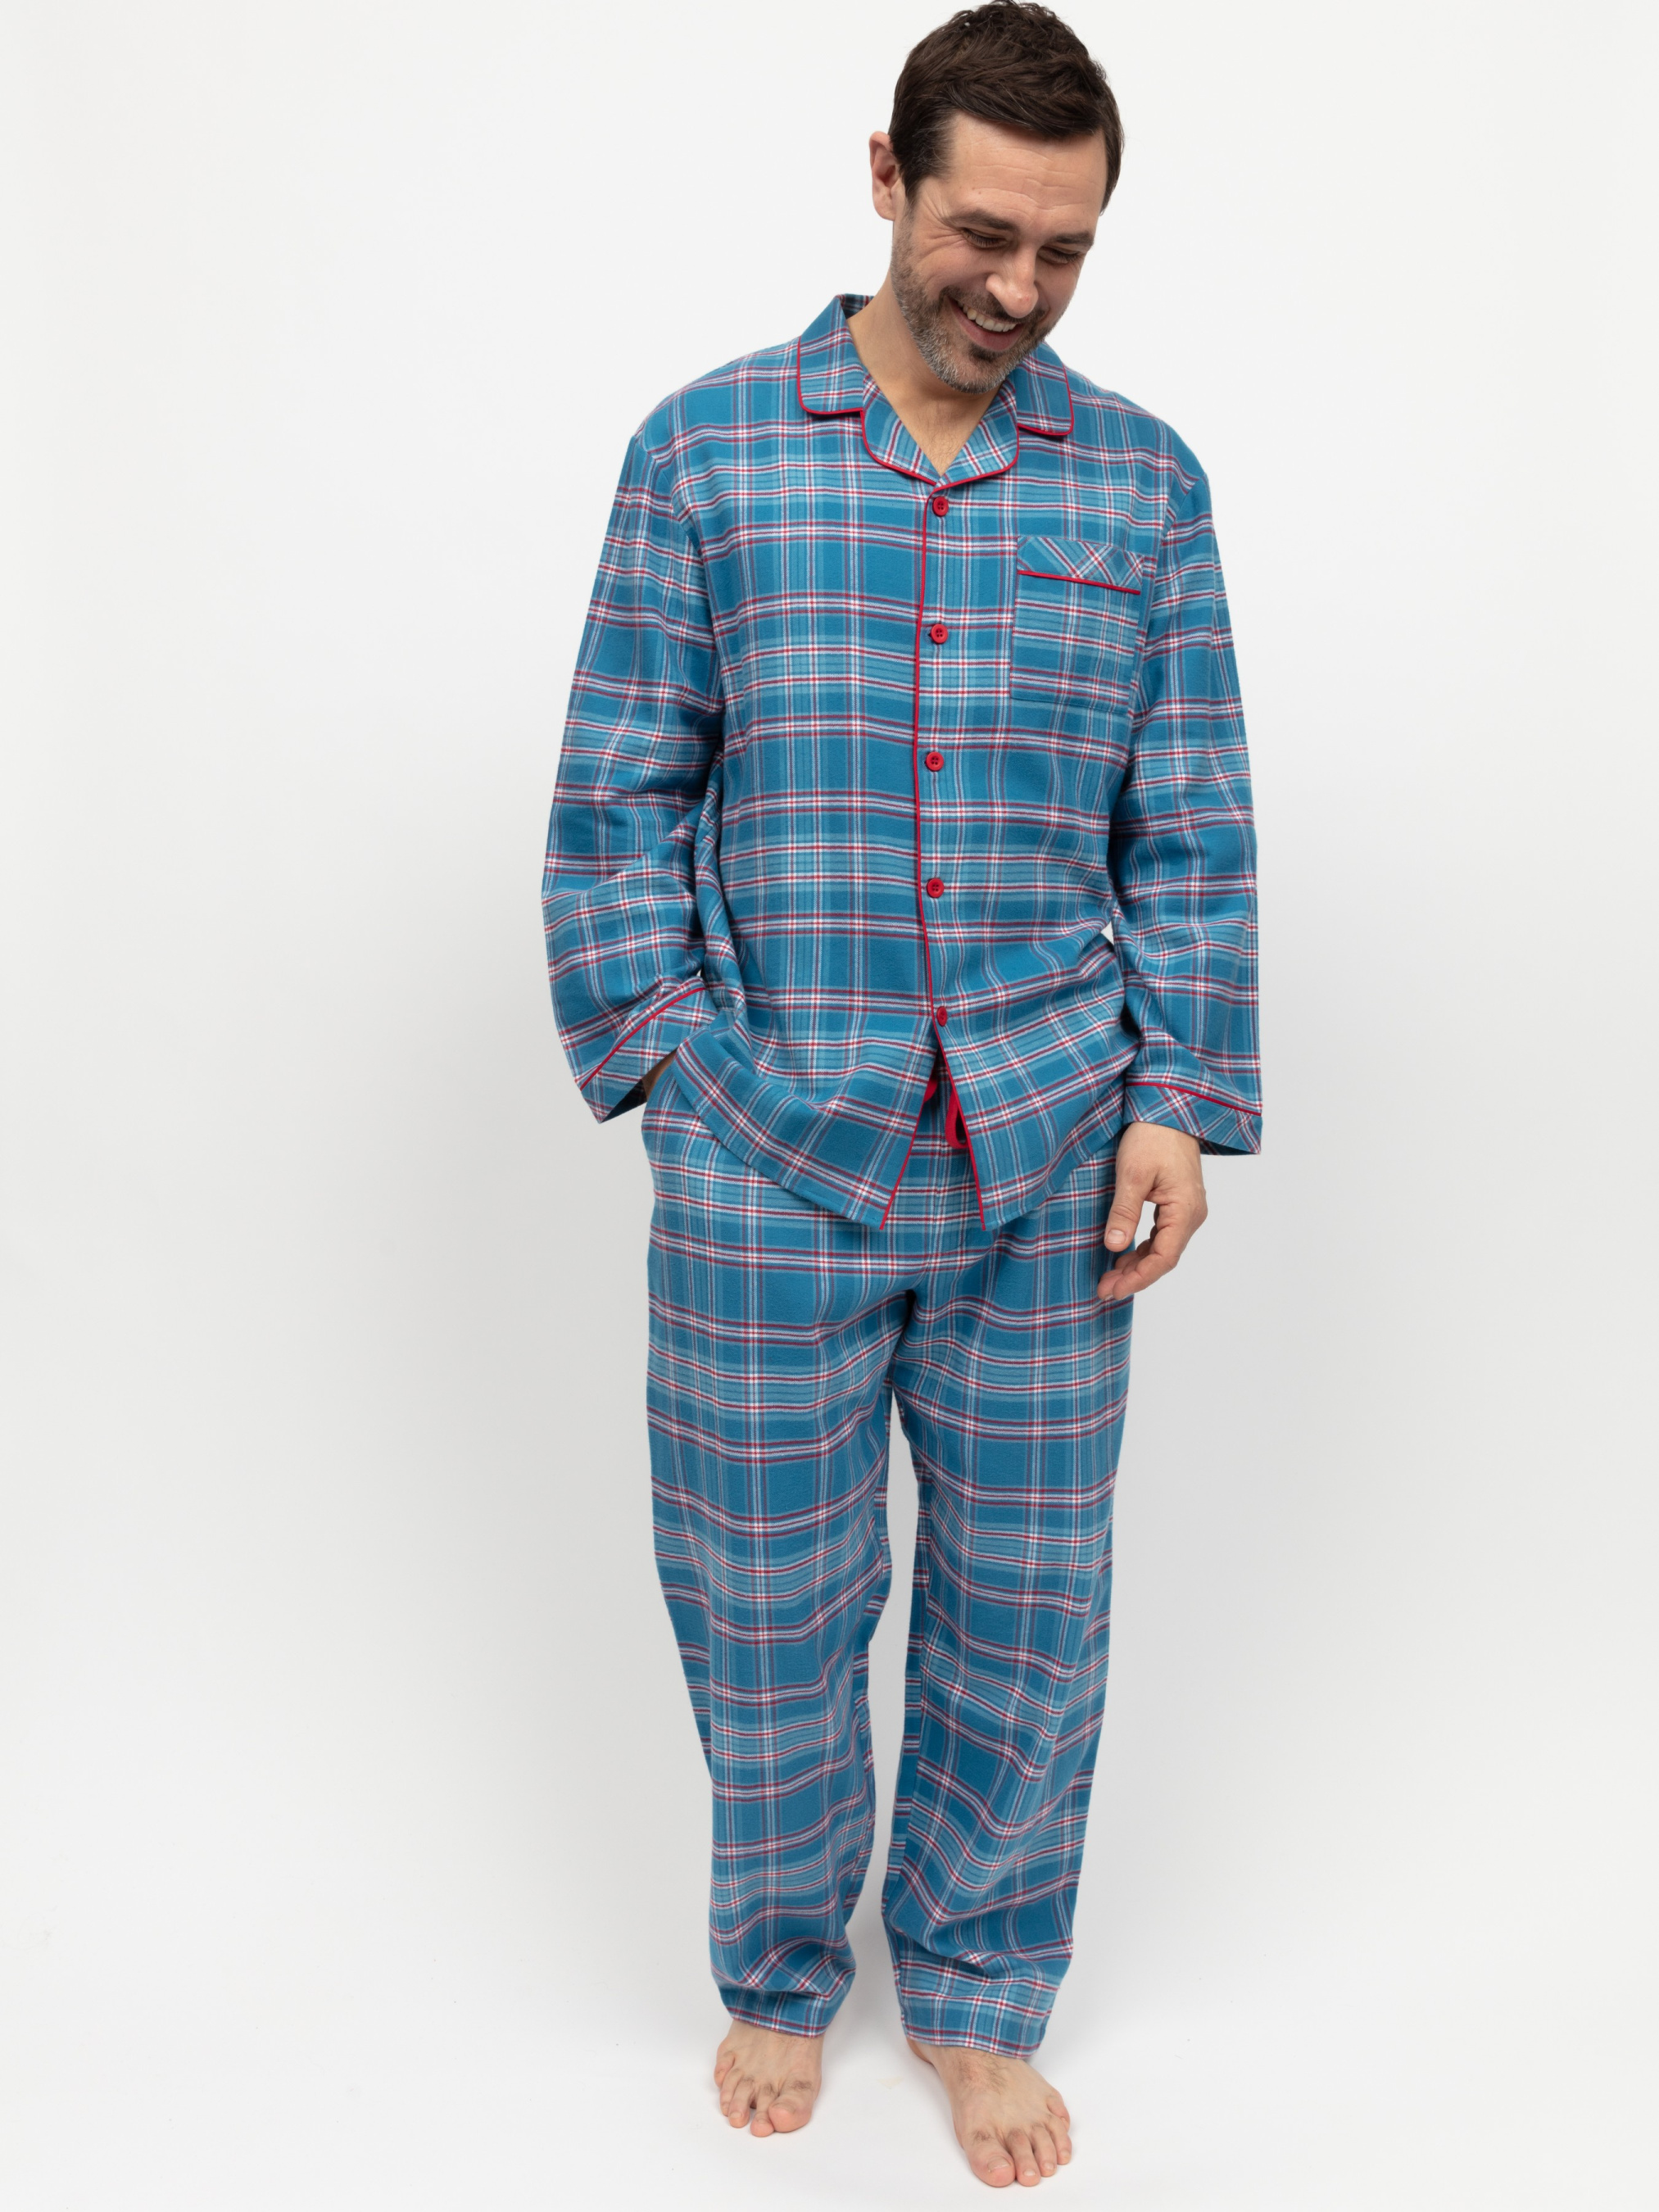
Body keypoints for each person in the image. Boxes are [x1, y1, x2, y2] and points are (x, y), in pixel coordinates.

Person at [542, 0, 1259, 2187]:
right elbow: (615, 800)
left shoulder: (1144, 483)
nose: (1019, 288)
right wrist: (676, 1068)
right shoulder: (701, 455)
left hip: (1053, 1149)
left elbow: (1190, 821)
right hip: (767, 1142)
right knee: (763, 1601)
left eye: (1066, 249)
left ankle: (971, 1991)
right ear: (885, 178)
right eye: (983, 233)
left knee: (1029, 1611)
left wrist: (1177, 1097)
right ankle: (779, 1965)